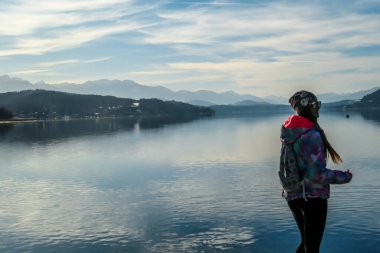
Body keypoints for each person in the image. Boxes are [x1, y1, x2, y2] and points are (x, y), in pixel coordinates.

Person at [280, 90, 353, 253]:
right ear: (305, 107)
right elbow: (317, 174)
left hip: (293, 195)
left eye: (318, 104)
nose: (318, 108)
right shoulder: (311, 135)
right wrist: (344, 176)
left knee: (306, 244)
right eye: (315, 105)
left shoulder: (290, 133)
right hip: (312, 198)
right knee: (312, 248)